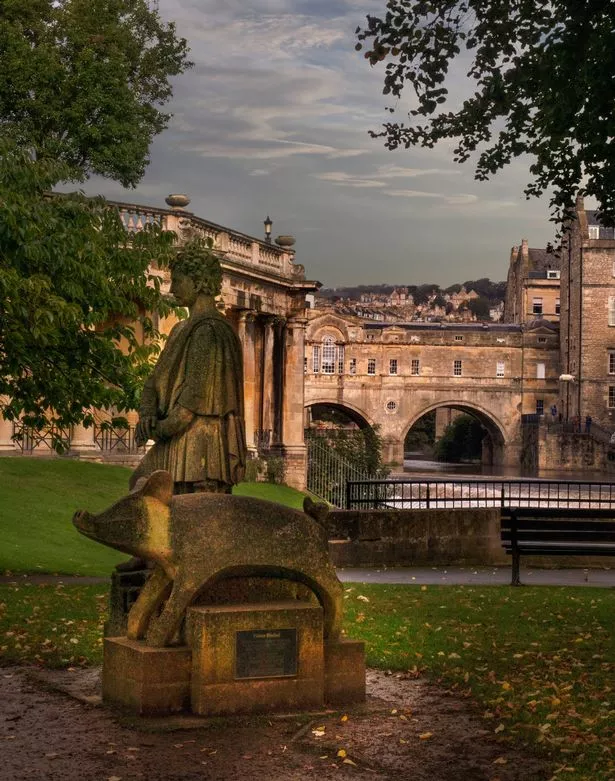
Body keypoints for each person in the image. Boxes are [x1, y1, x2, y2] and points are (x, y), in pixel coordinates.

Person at [130, 238, 246, 495]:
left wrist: (160, 430)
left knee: (193, 513)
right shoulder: (181, 329)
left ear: (199, 283)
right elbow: (153, 380)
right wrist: (148, 412)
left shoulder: (210, 331)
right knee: (142, 491)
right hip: (181, 442)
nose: (171, 290)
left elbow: (192, 400)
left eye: (178, 281)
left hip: (201, 445)